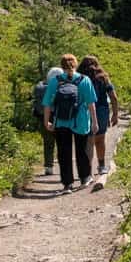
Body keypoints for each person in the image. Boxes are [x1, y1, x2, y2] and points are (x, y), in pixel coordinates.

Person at [42, 54, 98, 192]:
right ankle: (85, 177)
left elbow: (47, 104)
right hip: (81, 121)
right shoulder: (85, 80)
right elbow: (91, 104)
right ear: (75, 64)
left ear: (61, 66)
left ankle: (67, 184)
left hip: (61, 121)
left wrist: (47, 121)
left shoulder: (55, 81)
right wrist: (94, 122)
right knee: (82, 150)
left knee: (63, 152)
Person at [78, 55, 118, 176]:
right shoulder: (103, 78)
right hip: (101, 110)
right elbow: (113, 97)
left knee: (88, 141)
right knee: (100, 140)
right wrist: (115, 114)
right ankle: (101, 166)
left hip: (85, 110)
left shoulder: (79, 78)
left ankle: (88, 170)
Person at [32, 67, 64, 176]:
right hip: (58, 119)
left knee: (48, 143)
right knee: (61, 142)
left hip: (43, 119)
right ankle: (63, 165)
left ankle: (48, 166)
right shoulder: (60, 88)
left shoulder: (39, 87)